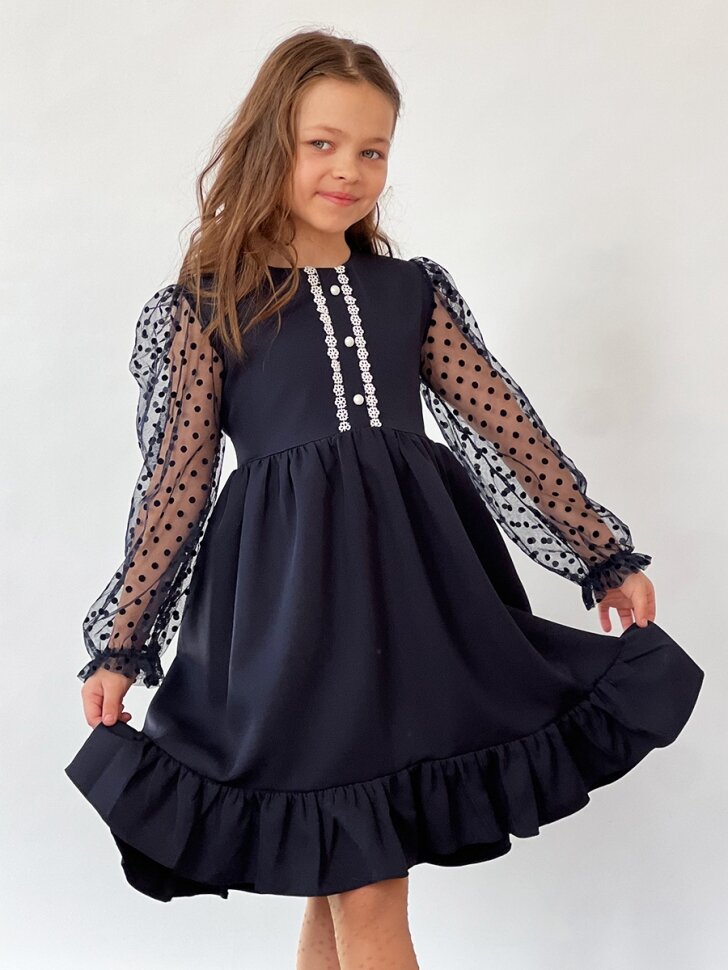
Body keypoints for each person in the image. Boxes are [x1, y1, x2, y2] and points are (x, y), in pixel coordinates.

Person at [64, 28, 704, 970]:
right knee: (353, 878)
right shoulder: (205, 307)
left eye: (373, 150)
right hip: (287, 620)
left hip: (412, 608)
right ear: (271, 143)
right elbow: (175, 486)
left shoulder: (409, 292)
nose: (349, 170)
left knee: (350, 872)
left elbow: (503, 427)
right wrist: (124, 642)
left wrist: (599, 552)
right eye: (322, 143)